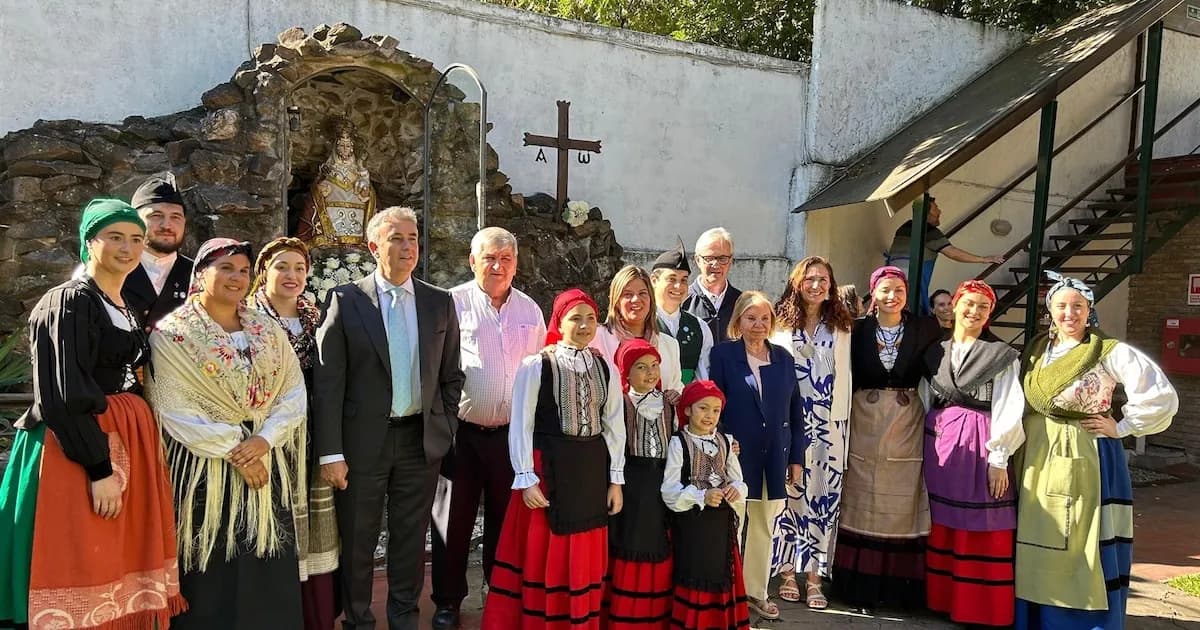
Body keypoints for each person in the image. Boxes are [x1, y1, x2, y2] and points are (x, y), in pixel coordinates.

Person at [0, 199, 184, 630]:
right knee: (79, 553)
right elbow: (62, 394)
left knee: (115, 557)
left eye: (136, 239)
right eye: (115, 237)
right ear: (89, 243)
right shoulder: (67, 301)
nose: (128, 248)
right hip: (77, 447)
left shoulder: (119, 303)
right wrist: (99, 468)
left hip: (126, 435)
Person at [313, 206, 464, 630]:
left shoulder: (439, 302)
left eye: (413, 237)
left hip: (419, 443)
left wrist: (444, 425)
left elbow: (453, 375)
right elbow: (328, 384)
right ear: (373, 245)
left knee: (410, 542)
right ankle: (358, 621)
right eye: (397, 238)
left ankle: (404, 621)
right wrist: (331, 453)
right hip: (362, 444)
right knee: (359, 540)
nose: (408, 246)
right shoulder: (345, 300)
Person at [147, 238, 309, 629]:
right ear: (201, 275)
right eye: (225, 268)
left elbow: (293, 391)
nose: (236, 277)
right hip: (206, 473)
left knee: (266, 570)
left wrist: (263, 440)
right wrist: (236, 450)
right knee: (212, 571)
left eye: (242, 270)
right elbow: (172, 406)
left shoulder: (266, 329)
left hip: (266, 465)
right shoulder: (173, 335)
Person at [1014, 271, 1178, 630]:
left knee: (1078, 538)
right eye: (1061, 306)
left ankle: (1077, 621)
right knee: (1038, 531)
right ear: (1049, 311)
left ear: (1090, 310)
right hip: (1036, 453)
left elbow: (1159, 395)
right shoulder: (1038, 348)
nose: (1069, 313)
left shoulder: (1107, 350)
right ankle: (1034, 616)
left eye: (1078, 306)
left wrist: (1121, 427)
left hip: (1083, 451)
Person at [481, 289, 625, 630]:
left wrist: (616, 479)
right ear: (559, 323)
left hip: (590, 473)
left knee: (583, 552)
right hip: (547, 471)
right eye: (576, 318)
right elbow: (521, 422)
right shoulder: (537, 365)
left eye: (591, 318)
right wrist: (526, 476)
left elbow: (614, 423)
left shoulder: (605, 367)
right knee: (545, 551)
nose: (585, 325)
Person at [431, 227, 546, 630]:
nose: (498, 266)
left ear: (516, 263)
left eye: (506, 258)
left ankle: (499, 596)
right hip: (461, 434)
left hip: (511, 437)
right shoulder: (452, 304)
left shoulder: (531, 311)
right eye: (489, 258)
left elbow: (538, 375)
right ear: (472, 260)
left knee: (504, 520)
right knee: (452, 521)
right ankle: (447, 601)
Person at [833, 265, 942, 613]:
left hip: (905, 421)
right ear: (873, 293)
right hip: (864, 419)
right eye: (885, 290)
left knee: (900, 500)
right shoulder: (856, 330)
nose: (892, 296)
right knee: (861, 495)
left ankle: (898, 590)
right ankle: (857, 587)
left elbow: (943, 371)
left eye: (899, 289)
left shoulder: (925, 328)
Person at [921, 280, 1024, 627]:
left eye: (983, 306)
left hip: (982, 442)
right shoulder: (937, 349)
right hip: (941, 444)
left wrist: (999, 458)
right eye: (969, 303)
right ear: (955, 305)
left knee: (982, 520)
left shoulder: (1001, 354)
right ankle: (941, 599)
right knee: (942, 520)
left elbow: (1009, 404)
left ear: (990, 313)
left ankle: (979, 606)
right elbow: (926, 396)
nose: (974, 311)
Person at [248, 237, 339, 630]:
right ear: (264, 272)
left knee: (314, 522)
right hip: (268, 433)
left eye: (300, 268)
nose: (292, 275)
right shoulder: (247, 318)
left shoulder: (316, 317)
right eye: (282, 266)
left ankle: (314, 613)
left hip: (313, 431)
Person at [708, 291, 803, 621]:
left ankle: (756, 593)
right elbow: (714, 405)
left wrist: (797, 460)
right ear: (738, 321)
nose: (758, 325)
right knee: (732, 524)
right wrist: (721, 442)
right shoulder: (722, 355)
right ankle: (727, 592)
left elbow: (796, 410)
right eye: (751, 318)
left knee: (764, 525)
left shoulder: (784, 358)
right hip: (735, 455)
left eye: (764, 318)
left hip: (774, 455)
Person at [768, 256, 854, 610]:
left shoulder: (842, 327)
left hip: (828, 427)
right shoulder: (779, 324)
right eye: (809, 279)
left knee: (823, 500)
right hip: (790, 423)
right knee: (788, 497)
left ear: (831, 285)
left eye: (823, 279)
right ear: (796, 283)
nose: (816, 285)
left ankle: (815, 575)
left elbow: (846, 380)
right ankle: (787, 571)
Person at [662, 380, 750, 630]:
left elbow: (739, 480)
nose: (710, 415)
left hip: (721, 528)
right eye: (703, 408)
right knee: (695, 578)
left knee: (722, 577)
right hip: (692, 528)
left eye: (715, 410)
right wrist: (701, 496)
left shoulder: (726, 441)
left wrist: (736, 489)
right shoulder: (679, 443)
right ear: (688, 409)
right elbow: (669, 491)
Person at [605, 339, 675, 630]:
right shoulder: (620, 403)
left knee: (658, 544)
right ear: (625, 372)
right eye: (641, 367)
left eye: (654, 365)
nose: (650, 373)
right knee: (628, 544)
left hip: (661, 484)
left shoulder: (671, 405)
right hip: (631, 485)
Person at [884, 197, 1005, 314]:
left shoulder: (903, 228)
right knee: (914, 315)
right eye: (936, 208)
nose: (939, 211)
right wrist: (983, 259)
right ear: (927, 212)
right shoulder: (928, 230)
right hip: (912, 285)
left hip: (891, 281)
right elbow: (952, 253)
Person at [590, 265, 684, 392]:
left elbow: (677, 388)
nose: (636, 300)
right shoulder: (597, 338)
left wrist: (675, 395)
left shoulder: (669, 345)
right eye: (627, 294)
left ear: (651, 299)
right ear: (616, 301)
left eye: (642, 293)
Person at [124, 172, 193, 330]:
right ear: (135, 220)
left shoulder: (200, 275)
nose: (167, 225)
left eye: (175, 217)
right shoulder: (109, 270)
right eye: (156, 215)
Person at [651, 237, 712, 384]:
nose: (679, 286)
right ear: (654, 281)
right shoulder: (642, 322)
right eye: (671, 279)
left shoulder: (700, 327)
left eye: (684, 280)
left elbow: (703, 375)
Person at [683, 227, 743, 344]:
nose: (716, 264)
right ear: (697, 260)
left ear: (731, 260)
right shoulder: (683, 301)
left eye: (722, 258)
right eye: (709, 258)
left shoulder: (742, 303)